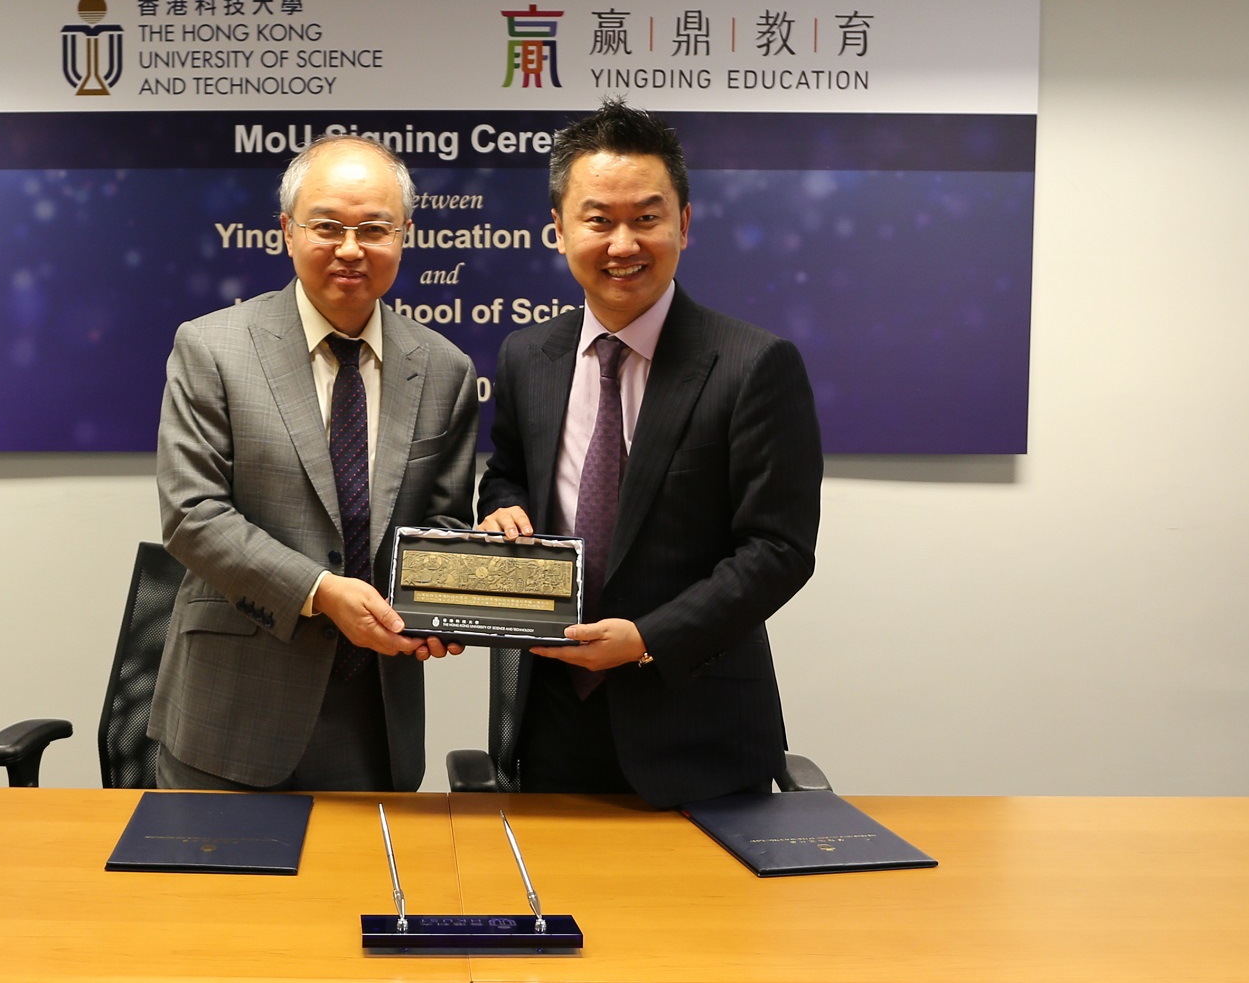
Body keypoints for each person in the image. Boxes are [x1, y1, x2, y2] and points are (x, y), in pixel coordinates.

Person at [476, 100, 822, 807]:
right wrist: (501, 506)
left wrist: (646, 637)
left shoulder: (753, 364)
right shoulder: (526, 358)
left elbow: (778, 548)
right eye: (598, 219)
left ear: (685, 225)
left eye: (647, 216)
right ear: (559, 230)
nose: (623, 242)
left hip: (698, 730)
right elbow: (507, 472)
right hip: (549, 727)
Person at [149, 135, 477, 791]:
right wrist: (321, 592)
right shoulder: (213, 348)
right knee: (219, 897)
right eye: (328, 226)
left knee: (364, 894)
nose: (351, 249)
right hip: (233, 716)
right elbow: (192, 516)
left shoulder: (445, 369)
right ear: (288, 231)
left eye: (374, 229)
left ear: (404, 234)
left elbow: (439, 519)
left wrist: (447, 597)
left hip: (376, 714)